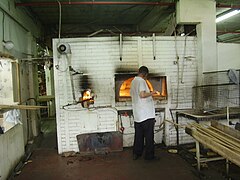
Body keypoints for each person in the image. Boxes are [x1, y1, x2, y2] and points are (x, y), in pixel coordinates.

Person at [130, 66, 158, 160]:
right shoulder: (141, 81)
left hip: (138, 113)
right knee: (149, 136)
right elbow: (142, 95)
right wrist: (152, 93)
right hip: (146, 114)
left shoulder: (133, 81)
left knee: (138, 135)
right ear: (145, 74)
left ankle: (137, 153)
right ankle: (149, 156)